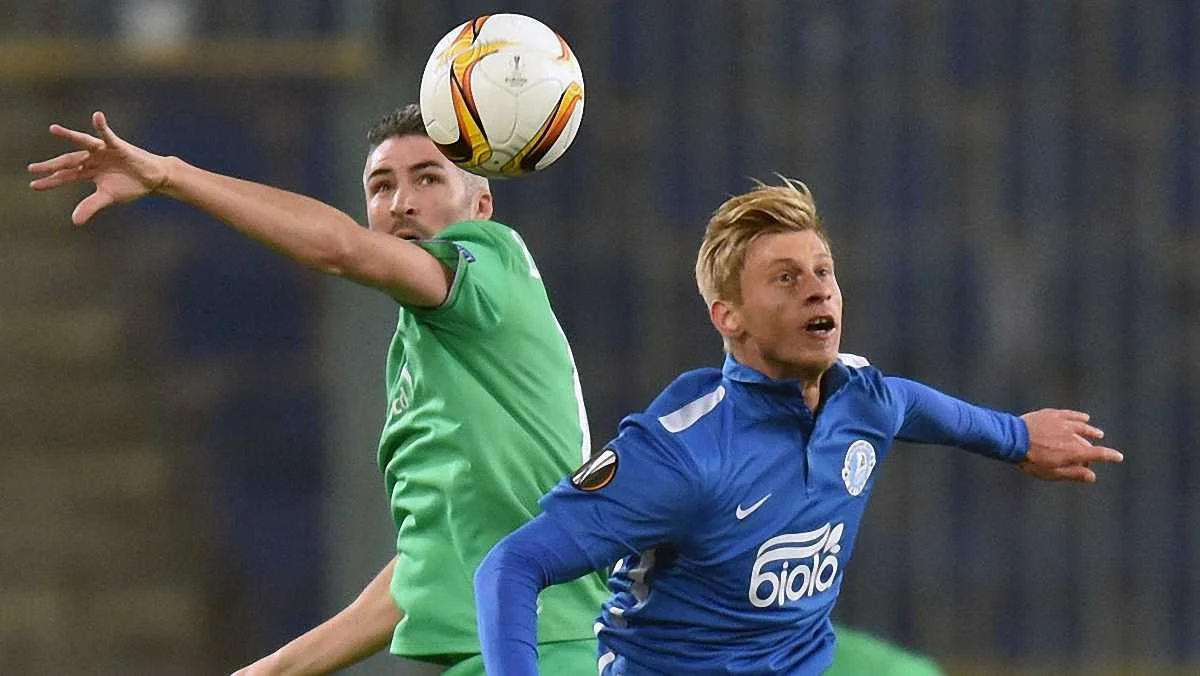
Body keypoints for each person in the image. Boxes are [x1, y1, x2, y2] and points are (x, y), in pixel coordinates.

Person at [28, 105, 609, 675]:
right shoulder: (430, 349)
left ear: (480, 206)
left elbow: (340, 248)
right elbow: (428, 570)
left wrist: (171, 176)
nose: (401, 203)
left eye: (428, 178)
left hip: (548, 653)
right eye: (381, 186)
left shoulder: (492, 264)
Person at [473, 178, 1124, 675]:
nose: (818, 290)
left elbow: (913, 405)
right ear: (728, 317)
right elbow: (512, 566)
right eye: (785, 278)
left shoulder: (861, 400)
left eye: (823, 271)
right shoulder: (682, 452)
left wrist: (1016, 438)